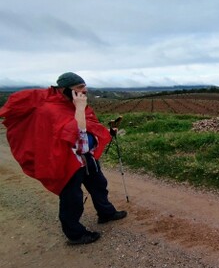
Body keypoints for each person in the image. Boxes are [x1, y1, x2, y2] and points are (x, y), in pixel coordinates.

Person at [0, 72, 127, 245]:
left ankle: (106, 213)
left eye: (84, 86)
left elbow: (88, 126)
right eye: (79, 88)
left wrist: (102, 131)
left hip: (85, 157)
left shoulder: (74, 105)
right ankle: (75, 235)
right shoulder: (50, 109)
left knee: (99, 185)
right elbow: (76, 134)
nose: (85, 91)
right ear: (64, 89)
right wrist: (80, 109)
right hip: (65, 161)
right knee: (71, 197)